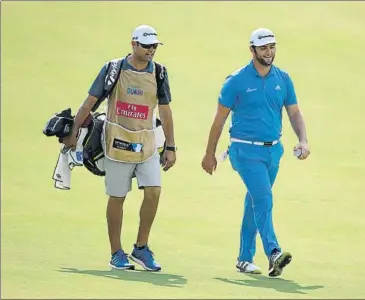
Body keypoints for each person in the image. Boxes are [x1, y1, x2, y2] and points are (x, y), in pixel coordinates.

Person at [63, 24, 177, 271]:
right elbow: (90, 103)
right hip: (116, 144)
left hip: (146, 145)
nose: (151, 50)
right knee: (117, 197)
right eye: (146, 45)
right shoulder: (113, 69)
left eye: (154, 45)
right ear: (133, 44)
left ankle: (141, 248)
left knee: (154, 192)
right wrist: (73, 132)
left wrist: (170, 146)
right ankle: (116, 253)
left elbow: (165, 112)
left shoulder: (159, 73)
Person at [201, 28, 310, 277]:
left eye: (272, 46)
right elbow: (219, 119)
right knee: (263, 199)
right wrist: (209, 153)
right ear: (252, 50)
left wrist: (303, 140)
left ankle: (244, 258)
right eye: (263, 48)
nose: (269, 52)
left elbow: (293, 112)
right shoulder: (236, 80)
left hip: (273, 152)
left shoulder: (283, 78)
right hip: (244, 151)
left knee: (254, 203)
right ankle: (273, 252)